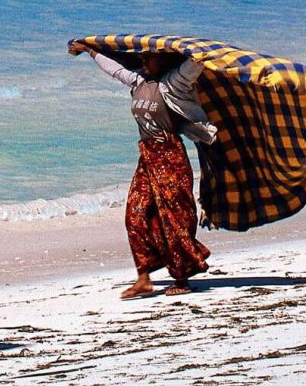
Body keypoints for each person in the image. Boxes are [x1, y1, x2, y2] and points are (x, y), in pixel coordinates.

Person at [69, 41, 217, 299]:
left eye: (150, 58)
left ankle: (181, 277)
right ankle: (144, 278)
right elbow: (115, 70)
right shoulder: (138, 82)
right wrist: (90, 51)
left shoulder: (174, 84)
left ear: (164, 61)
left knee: (174, 216)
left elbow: (195, 64)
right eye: (143, 58)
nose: (144, 61)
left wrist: (200, 54)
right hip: (148, 157)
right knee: (135, 214)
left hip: (170, 156)